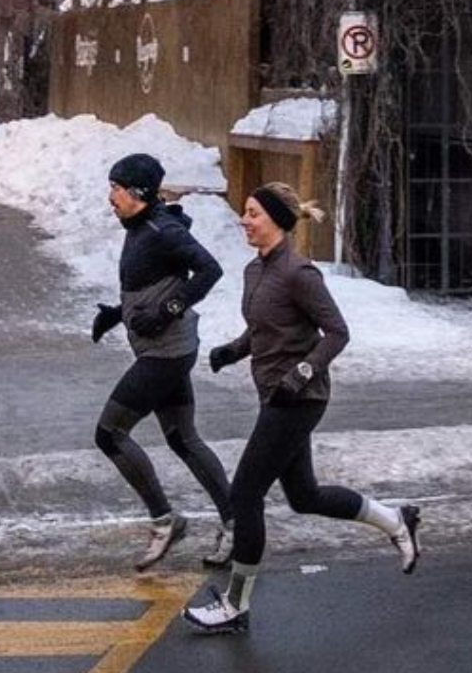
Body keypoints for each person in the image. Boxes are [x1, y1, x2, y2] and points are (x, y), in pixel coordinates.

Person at [181, 182, 421, 636]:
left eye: (252, 213)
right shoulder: (257, 272)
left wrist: (303, 374)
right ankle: (394, 519)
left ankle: (235, 604)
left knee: (245, 493)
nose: (244, 220)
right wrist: (231, 352)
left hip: (299, 400)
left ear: (276, 220)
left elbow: (336, 332)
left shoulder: (299, 272)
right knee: (304, 496)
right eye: (245, 213)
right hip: (274, 395)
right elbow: (263, 329)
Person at [93, 152, 236, 572]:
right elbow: (151, 283)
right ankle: (235, 522)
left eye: (116, 189)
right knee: (181, 438)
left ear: (137, 192)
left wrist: (169, 308)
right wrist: (117, 314)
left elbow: (210, 270)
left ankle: (164, 520)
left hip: (165, 352)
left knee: (110, 433)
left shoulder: (161, 229)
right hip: (163, 347)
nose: (110, 197)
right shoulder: (139, 225)